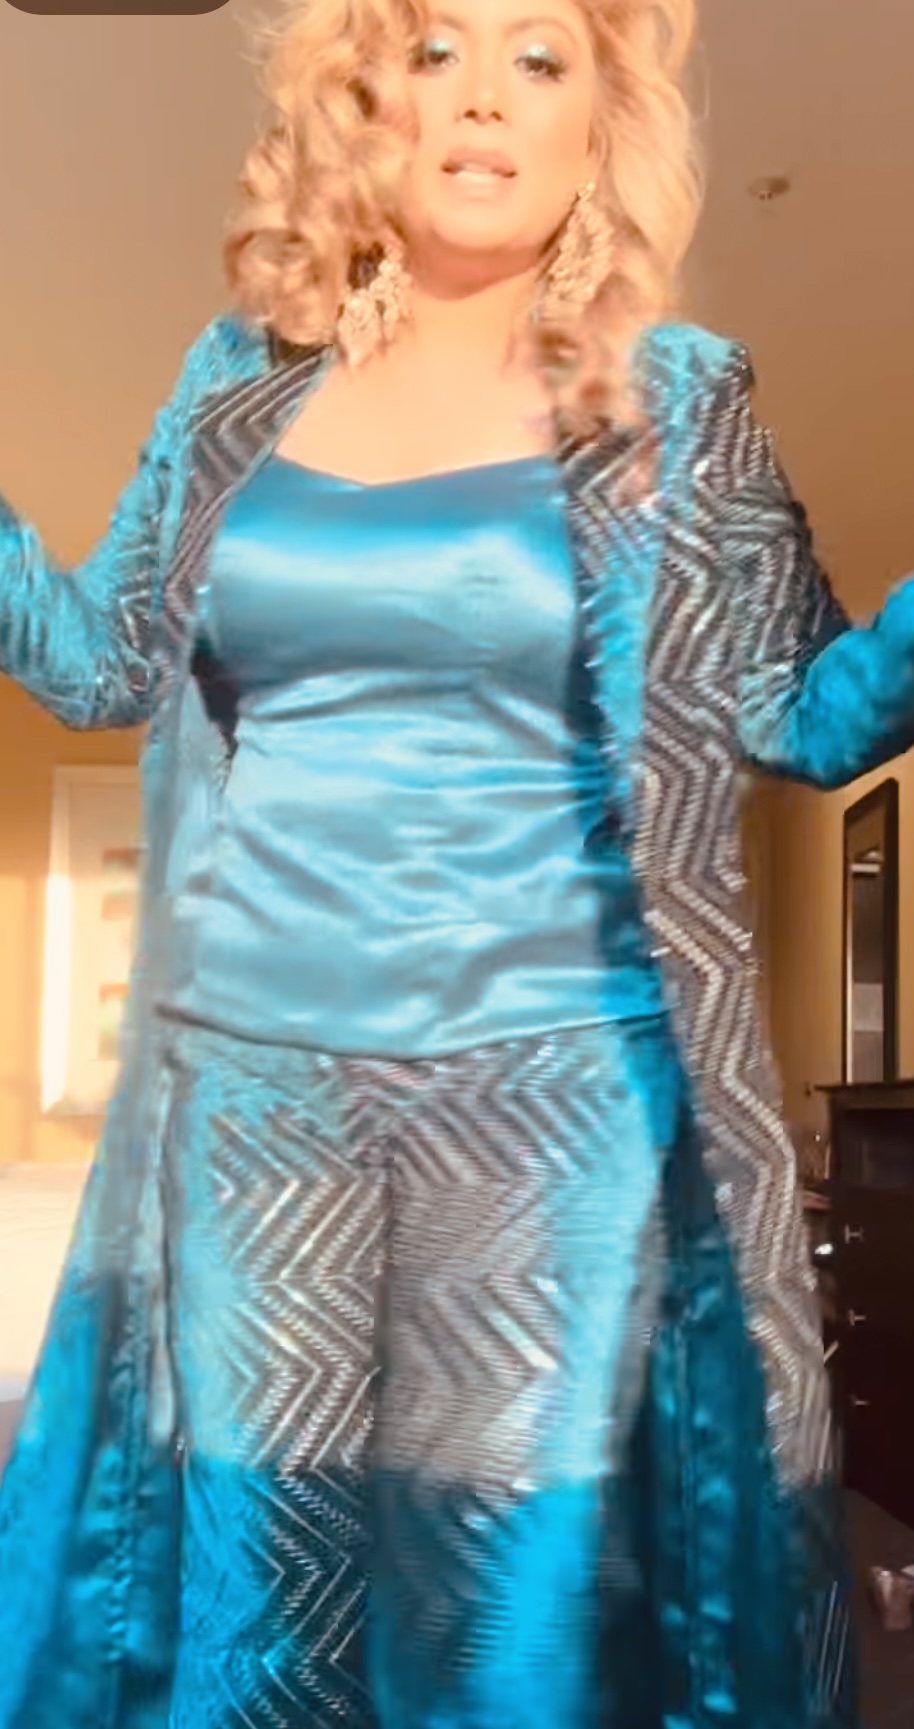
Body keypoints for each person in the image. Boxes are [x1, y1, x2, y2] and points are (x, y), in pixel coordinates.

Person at [0, 0, 911, 1722]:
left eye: (537, 58)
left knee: (509, 1637)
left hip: (546, 1115)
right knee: (257, 1627)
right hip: (253, 1102)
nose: (483, 96)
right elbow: (101, 655)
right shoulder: (234, 384)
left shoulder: (676, 402)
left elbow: (800, 709)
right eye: (437, 52)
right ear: (369, 100)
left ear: (596, 127)